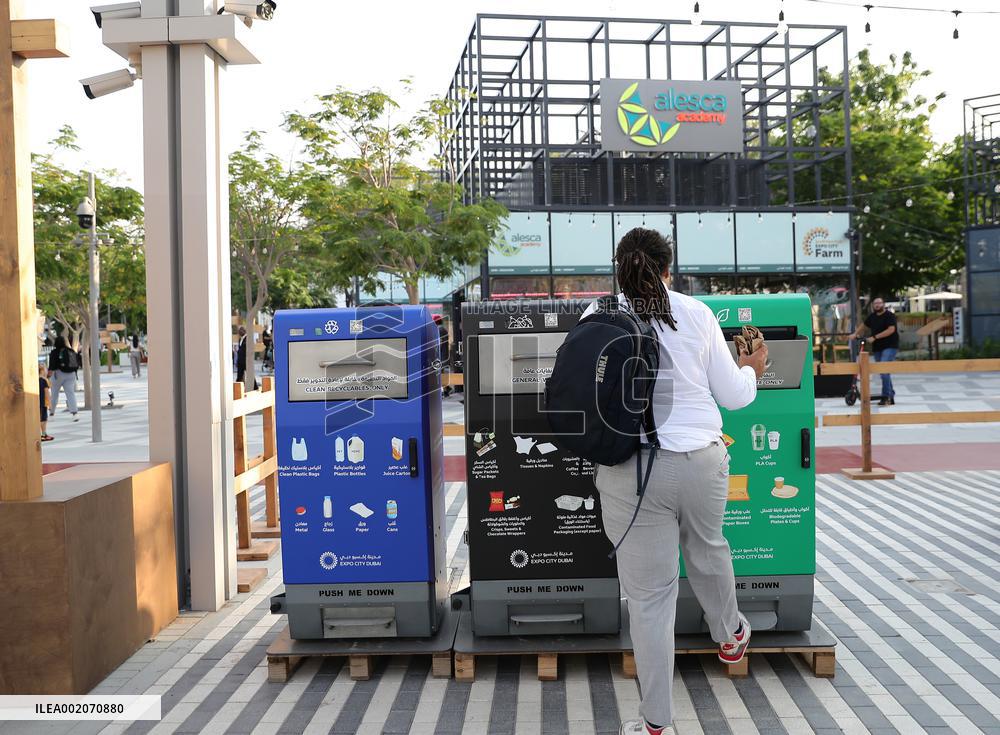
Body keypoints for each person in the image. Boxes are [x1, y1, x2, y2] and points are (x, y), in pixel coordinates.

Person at [588, 228, 767, 735]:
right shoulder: (694, 313)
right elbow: (734, 398)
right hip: (700, 462)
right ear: (669, 268)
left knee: (649, 601)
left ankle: (655, 725)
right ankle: (729, 633)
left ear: (618, 268)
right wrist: (752, 368)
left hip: (629, 468)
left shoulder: (597, 315)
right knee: (708, 546)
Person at [850, 296, 898, 405]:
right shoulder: (872, 316)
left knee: (883, 371)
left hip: (890, 346)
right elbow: (864, 325)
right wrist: (855, 334)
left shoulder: (889, 316)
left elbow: (891, 330)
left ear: (883, 304)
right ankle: (890, 394)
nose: (877, 305)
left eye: (879, 303)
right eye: (875, 303)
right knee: (883, 371)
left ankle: (886, 396)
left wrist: (875, 337)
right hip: (878, 348)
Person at [47, 335, 80, 421]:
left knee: (54, 394)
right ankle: (74, 414)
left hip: (58, 374)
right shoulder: (71, 351)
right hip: (71, 374)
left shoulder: (54, 352)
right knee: (70, 393)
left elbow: (51, 367)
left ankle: (51, 413)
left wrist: (47, 376)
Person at [39, 363, 53, 442]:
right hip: (43, 403)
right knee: (43, 419)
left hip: (38, 402)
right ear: (43, 371)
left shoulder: (36, 379)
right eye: (46, 369)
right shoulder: (44, 380)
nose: (47, 371)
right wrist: (50, 404)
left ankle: (43, 434)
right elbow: (46, 393)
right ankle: (43, 434)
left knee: (41, 418)